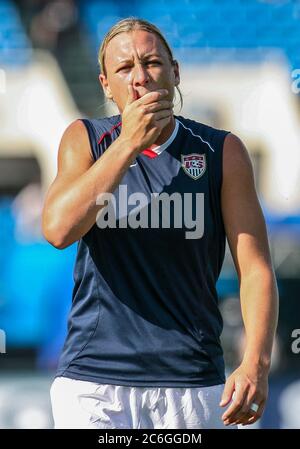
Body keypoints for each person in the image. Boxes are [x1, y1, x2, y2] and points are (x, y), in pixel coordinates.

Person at [42, 17, 279, 429]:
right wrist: (129, 142)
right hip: (95, 381)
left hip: (190, 380)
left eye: (151, 62)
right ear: (105, 84)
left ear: (175, 72)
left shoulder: (221, 151)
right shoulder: (85, 140)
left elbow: (255, 267)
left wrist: (255, 363)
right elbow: (59, 230)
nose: (140, 77)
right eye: (124, 68)